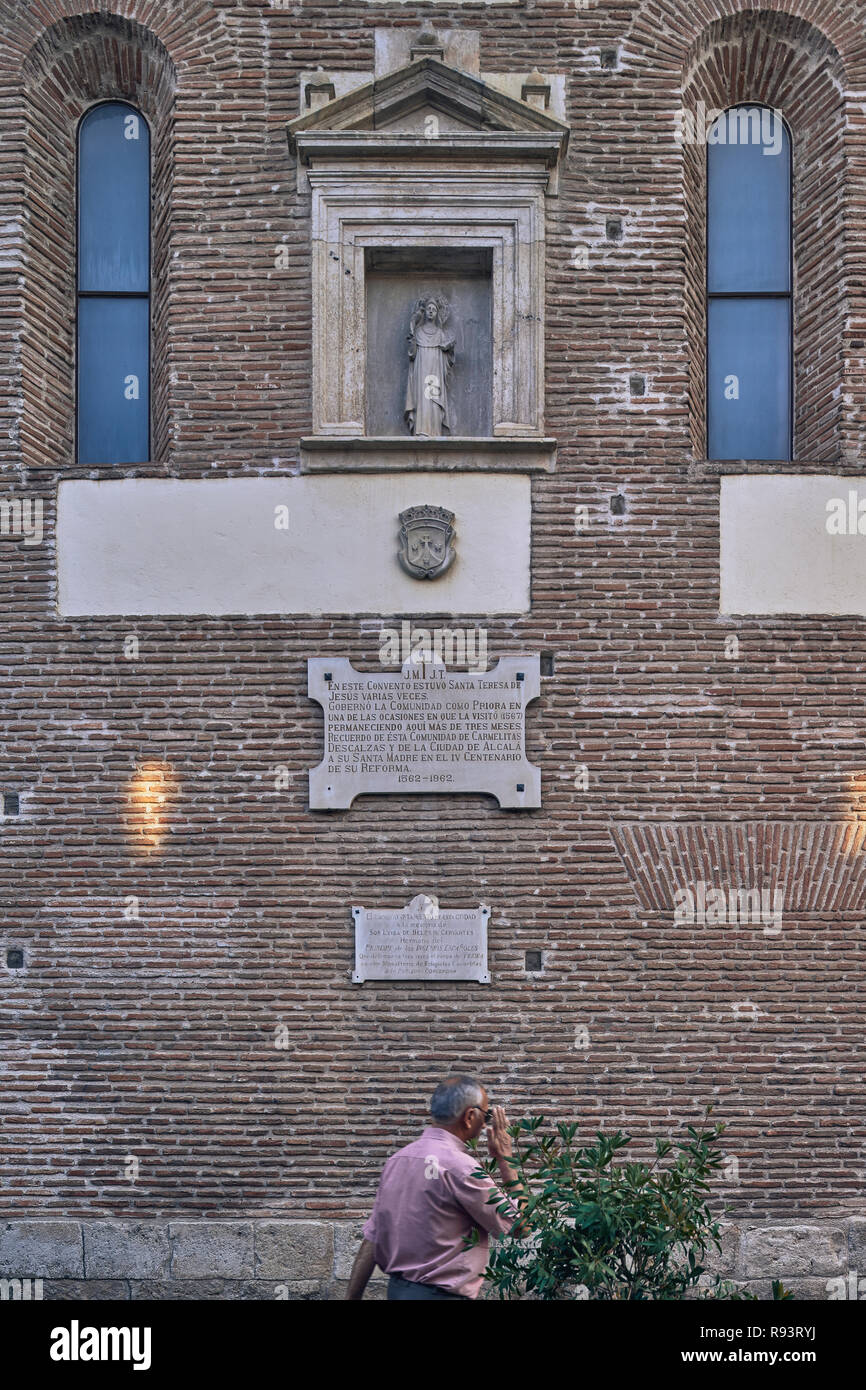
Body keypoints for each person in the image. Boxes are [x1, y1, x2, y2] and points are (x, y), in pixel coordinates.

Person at [344, 1075, 527, 1300]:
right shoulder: (461, 1167)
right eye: (486, 1116)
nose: (486, 1124)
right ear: (470, 1117)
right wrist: (506, 1160)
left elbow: (372, 1237)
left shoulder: (398, 1161)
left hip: (398, 1292)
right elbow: (521, 1226)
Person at [404, 295, 455, 438]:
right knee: (422, 398)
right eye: (429, 309)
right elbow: (412, 355)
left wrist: (450, 349)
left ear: (437, 313)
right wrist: (412, 338)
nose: (431, 311)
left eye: (434, 309)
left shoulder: (440, 333)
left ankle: (435, 431)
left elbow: (447, 358)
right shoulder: (418, 332)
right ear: (424, 312)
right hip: (421, 369)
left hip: (435, 371)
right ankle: (421, 430)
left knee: (433, 397)